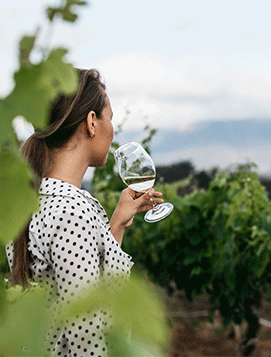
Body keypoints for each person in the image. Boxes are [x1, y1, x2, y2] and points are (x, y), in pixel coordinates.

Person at [5, 68, 163, 357]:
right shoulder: (72, 211)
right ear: (92, 122)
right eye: (110, 118)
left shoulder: (32, 201)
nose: (112, 128)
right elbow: (87, 339)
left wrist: (115, 227)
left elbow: (73, 290)